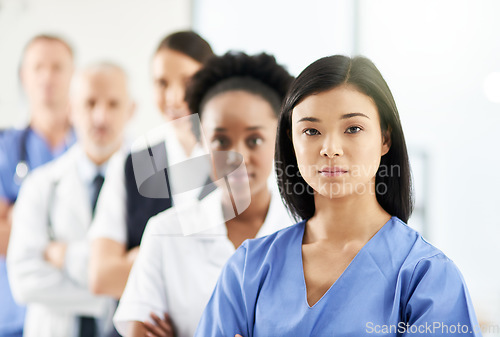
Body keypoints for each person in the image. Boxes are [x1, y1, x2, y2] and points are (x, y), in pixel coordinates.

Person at [194, 55, 482, 337]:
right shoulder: (248, 268)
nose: (330, 148)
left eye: (353, 128)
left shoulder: (427, 277)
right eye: (311, 131)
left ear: (385, 138)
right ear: (290, 142)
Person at [112, 51, 295, 337]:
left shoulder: (307, 232)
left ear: (281, 139)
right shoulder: (165, 233)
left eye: (255, 139)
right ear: (201, 140)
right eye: (221, 140)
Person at [7, 62, 135, 337]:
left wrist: (64, 256)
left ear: (131, 110)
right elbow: (24, 280)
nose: (101, 117)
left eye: (113, 104)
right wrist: (108, 286)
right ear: (70, 109)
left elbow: (153, 272)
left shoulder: (149, 187)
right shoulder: (40, 185)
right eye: (89, 104)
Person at [88, 31, 214, 301]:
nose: (175, 97)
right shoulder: (131, 162)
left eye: (189, 81)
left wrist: (144, 258)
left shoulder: (237, 160)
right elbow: (101, 276)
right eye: (161, 83)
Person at [0, 34, 76, 337]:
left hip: (76, 315)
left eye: (58, 67)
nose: (48, 76)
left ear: (73, 76)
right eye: (38, 67)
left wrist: (21, 221)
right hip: (13, 316)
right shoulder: (6, 148)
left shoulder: (92, 149)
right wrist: (63, 244)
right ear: (23, 76)